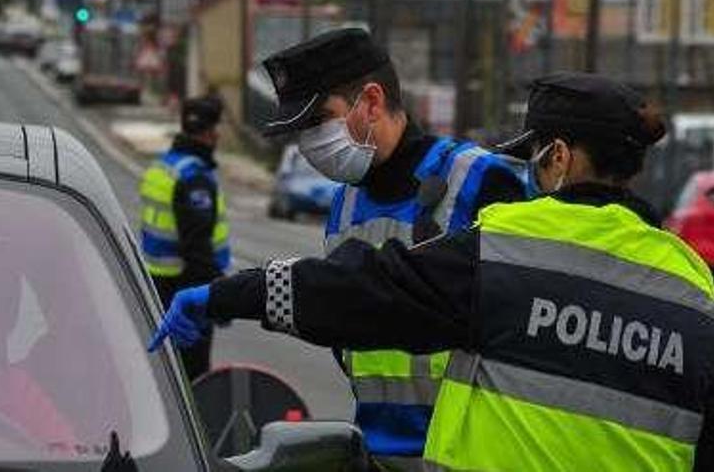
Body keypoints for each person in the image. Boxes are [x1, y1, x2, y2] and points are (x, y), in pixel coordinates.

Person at [150, 72, 714, 470]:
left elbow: (362, 292)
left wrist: (222, 297)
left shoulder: (505, 252)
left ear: (560, 157)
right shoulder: (693, 288)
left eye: (537, 156)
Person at [261, 28, 525, 467]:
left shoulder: (479, 180)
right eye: (301, 130)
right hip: (378, 454)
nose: (308, 142)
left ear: (371, 101)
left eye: (318, 120)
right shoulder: (344, 203)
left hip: (465, 456)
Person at [139, 94, 229, 381]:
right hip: (189, 289)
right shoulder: (194, 177)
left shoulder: (163, 166)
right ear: (211, 132)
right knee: (193, 377)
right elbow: (197, 246)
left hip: (157, 284)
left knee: (165, 374)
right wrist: (222, 297)